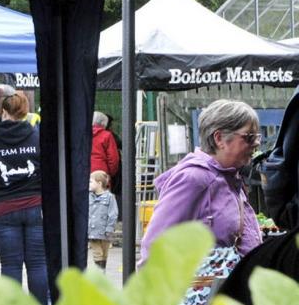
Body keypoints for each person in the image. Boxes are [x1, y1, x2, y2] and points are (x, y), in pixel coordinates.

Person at [140, 99, 263, 266]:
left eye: (257, 137)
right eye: (249, 137)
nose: (256, 143)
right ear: (219, 138)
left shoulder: (229, 178)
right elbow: (155, 245)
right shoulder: (194, 178)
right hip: (203, 290)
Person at [0, 91, 50, 305]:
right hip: (36, 207)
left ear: (3, 112)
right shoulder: (38, 137)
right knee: (37, 264)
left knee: (10, 265)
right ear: (25, 112)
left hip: (3, 210)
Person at [87, 170, 119, 272]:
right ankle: (100, 273)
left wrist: (109, 228)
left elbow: (113, 214)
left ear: (99, 183)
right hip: (93, 232)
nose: (89, 184)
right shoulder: (88, 196)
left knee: (104, 254)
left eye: (91, 182)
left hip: (105, 232)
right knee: (98, 254)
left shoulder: (109, 197)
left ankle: (102, 272)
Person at [91, 111, 120, 193]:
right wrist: (110, 173)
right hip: (102, 171)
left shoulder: (84, 134)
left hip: (85, 170)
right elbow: (114, 158)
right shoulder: (107, 135)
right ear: (105, 123)